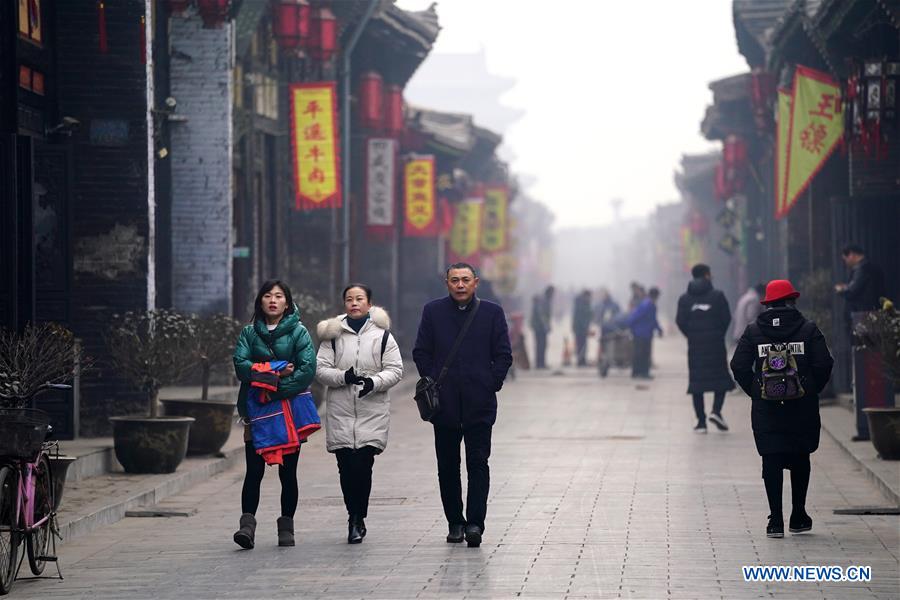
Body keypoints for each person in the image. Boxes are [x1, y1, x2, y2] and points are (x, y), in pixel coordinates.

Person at [413, 263, 512, 548]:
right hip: (443, 406)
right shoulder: (433, 311)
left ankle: (475, 523)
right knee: (447, 466)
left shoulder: (492, 313)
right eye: (454, 280)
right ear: (447, 283)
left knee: (478, 463)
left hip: (479, 404)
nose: (460, 285)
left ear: (476, 282)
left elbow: (503, 354)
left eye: (465, 280)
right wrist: (431, 380)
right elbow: (421, 351)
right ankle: (455, 522)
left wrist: (490, 382)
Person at [730, 279, 833, 539]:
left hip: (767, 409)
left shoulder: (754, 332)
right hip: (802, 408)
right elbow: (824, 363)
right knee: (800, 458)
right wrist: (809, 389)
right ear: (792, 301)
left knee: (771, 460)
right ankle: (798, 515)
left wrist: (757, 390)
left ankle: (775, 520)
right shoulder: (808, 329)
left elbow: (738, 365)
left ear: (768, 304)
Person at [315, 284, 403, 544]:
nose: (354, 303)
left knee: (363, 466)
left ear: (369, 303)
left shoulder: (383, 336)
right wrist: (343, 377)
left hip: (371, 410)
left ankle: (358, 518)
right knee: (345, 467)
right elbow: (320, 369)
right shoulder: (331, 335)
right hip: (340, 410)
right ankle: (352, 515)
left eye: (359, 299)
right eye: (349, 299)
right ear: (344, 303)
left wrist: (373, 382)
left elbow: (395, 370)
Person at [232, 280, 316, 549]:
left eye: (279, 296)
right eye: (267, 295)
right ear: (260, 302)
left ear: (287, 303)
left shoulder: (299, 332)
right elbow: (241, 367)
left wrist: (274, 389)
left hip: (289, 409)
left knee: (288, 473)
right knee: (253, 471)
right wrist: (277, 371)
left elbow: (306, 370)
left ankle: (286, 527)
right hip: (255, 411)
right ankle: (247, 527)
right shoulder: (248, 332)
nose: (272, 300)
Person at [676, 264, 736, 433]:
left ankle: (701, 422)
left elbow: (680, 321)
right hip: (716, 345)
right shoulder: (718, 296)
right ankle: (716, 411)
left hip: (695, 347)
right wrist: (717, 334)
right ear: (707, 275)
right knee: (721, 379)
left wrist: (692, 335)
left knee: (697, 383)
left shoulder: (684, 299)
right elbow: (726, 318)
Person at [622, 287, 662, 379]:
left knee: (644, 354)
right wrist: (629, 326)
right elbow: (635, 316)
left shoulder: (651, 305)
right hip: (640, 334)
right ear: (655, 296)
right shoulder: (646, 305)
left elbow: (653, 320)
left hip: (646, 334)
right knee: (640, 354)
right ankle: (639, 373)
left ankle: (642, 373)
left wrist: (659, 329)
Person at [835, 243, 885, 315]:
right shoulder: (873, 267)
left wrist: (841, 289)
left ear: (851, 254)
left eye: (845, 259)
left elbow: (853, 290)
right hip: (874, 312)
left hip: (862, 314)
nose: (846, 262)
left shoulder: (862, 269)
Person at [530, 285, 554, 369]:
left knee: (541, 345)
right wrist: (546, 326)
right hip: (539, 327)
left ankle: (541, 363)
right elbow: (542, 315)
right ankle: (540, 364)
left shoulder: (544, 299)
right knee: (541, 344)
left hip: (539, 326)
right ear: (550, 292)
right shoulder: (544, 300)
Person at [572, 289, 593, 367]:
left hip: (583, 328)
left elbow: (589, 315)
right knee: (580, 344)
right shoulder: (581, 304)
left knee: (583, 345)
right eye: (588, 297)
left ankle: (582, 359)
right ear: (585, 296)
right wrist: (585, 328)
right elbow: (580, 318)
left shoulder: (585, 303)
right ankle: (580, 360)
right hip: (580, 329)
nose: (589, 298)